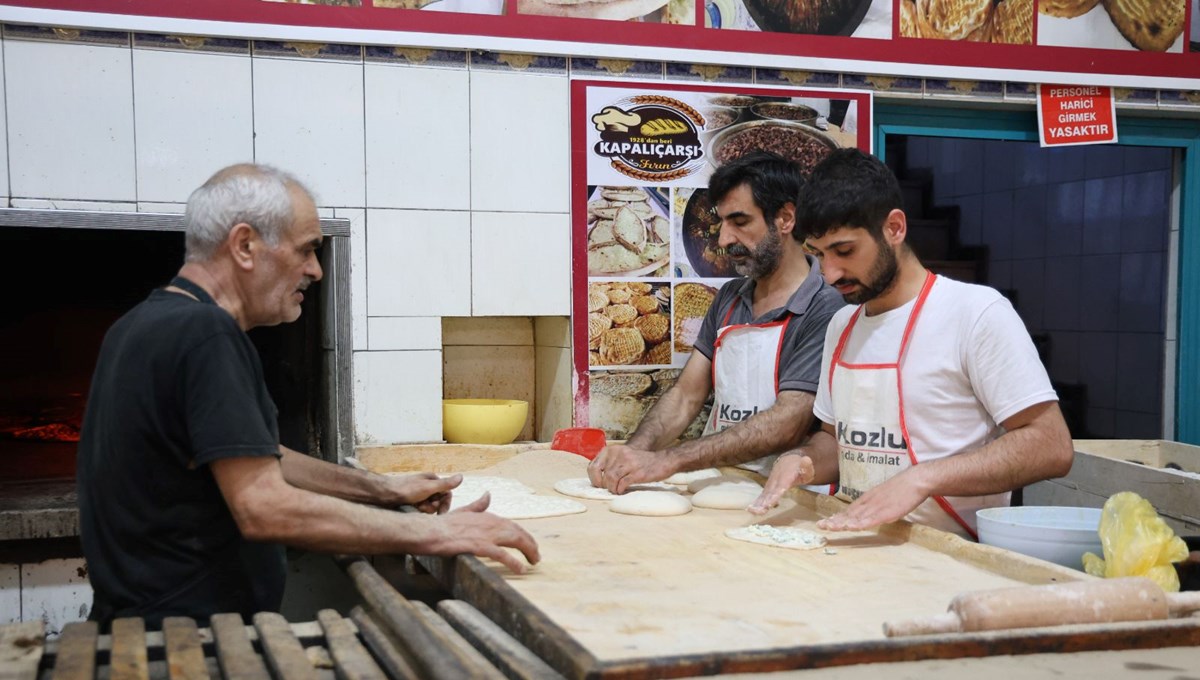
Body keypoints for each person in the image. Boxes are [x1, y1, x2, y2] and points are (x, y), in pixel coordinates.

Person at [77, 164, 539, 628]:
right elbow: (264, 505)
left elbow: (256, 454)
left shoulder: (143, 324)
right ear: (244, 245)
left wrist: (381, 490)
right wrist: (434, 534)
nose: (316, 271)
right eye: (306, 250)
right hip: (183, 641)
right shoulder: (205, 334)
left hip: (142, 621)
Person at [749, 148, 1074, 539]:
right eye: (818, 255)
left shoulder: (975, 313)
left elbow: (1051, 446)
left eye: (845, 251)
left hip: (948, 558)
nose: (830, 274)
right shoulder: (841, 325)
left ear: (895, 228)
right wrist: (802, 461)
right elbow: (837, 443)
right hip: (855, 545)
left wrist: (922, 479)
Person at [588, 151, 844, 494]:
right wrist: (635, 453)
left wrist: (669, 460)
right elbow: (686, 396)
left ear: (785, 218)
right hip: (722, 483)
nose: (723, 240)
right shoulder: (730, 298)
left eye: (739, 222)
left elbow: (788, 422)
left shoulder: (826, 307)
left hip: (792, 499)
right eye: (722, 222)